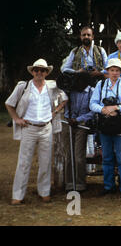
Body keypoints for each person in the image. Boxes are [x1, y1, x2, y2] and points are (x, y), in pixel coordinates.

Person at [5, 59, 67, 205]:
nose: (39, 73)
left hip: (46, 128)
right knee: (24, 162)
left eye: (42, 70)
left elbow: (65, 99)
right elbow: (9, 103)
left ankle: (44, 192)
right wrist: (16, 119)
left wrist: (55, 111)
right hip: (29, 128)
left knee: (45, 162)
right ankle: (18, 195)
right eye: (36, 70)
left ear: (47, 72)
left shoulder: (52, 86)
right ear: (32, 71)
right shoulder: (24, 86)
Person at [89, 58, 121, 199]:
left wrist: (117, 107)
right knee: (107, 158)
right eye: (112, 70)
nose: (114, 73)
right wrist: (103, 109)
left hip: (120, 125)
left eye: (117, 70)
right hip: (105, 125)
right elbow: (92, 104)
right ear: (107, 71)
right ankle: (108, 186)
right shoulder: (101, 84)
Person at [62, 71, 95, 192]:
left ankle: (80, 183)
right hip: (69, 124)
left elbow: (92, 111)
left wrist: (79, 120)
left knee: (78, 156)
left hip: (82, 125)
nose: (79, 84)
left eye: (82, 82)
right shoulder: (71, 91)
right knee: (69, 155)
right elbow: (65, 106)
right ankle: (69, 183)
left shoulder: (91, 91)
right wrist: (68, 118)